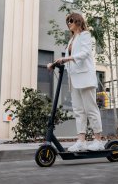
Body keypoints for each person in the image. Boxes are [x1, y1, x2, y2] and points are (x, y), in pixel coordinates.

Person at [47, 12, 104, 152]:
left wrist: (66, 59)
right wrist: (54, 63)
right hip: (74, 80)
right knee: (78, 111)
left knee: (91, 109)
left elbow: (85, 53)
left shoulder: (85, 35)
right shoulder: (71, 40)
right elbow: (68, 60)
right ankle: (81, 141)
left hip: (85, 78)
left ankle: (98, 140)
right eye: (67, 21)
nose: (69, 23)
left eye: (71, 21)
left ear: (78, 21)